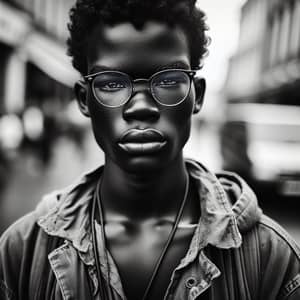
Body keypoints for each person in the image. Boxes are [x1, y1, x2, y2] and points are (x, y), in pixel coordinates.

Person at [1, 0, 300, 299]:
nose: (141, 107)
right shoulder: (20, 253)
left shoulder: (271, 259)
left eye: (169, 80)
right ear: (83, 99)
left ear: (197, 96)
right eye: (111, 82)